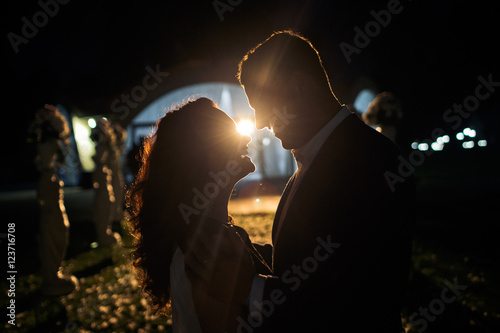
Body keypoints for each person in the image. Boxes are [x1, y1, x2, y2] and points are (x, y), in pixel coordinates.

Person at [186, 30, 415, 332]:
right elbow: (307, 259)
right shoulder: (314, 157)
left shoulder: (372, 161)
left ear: (299, 87)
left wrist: (252, 290)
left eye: (263, 107)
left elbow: (361, 299)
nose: (259, 124)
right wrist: (245, 252)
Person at [126, 98, 272, 332]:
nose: (245, 138)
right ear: (205, 156)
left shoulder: (202, 231)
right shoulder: (208, 246)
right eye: (229, 133)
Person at [30, 104, 78, 296]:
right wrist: (46, 120)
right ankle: (52, 276)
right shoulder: (43, 132)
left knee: (57, 228)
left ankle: (53, 272)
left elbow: (61, 134)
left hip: (51, 180)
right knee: (53, 228)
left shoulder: (48, 133)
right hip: (48, 181)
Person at [90, 118, 122, 246]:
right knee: (103, 204)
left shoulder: (109, 144)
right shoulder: (102, 146)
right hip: (102, 176)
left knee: (111, 200)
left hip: (109, 174)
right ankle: (104, 232)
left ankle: (110, 226)